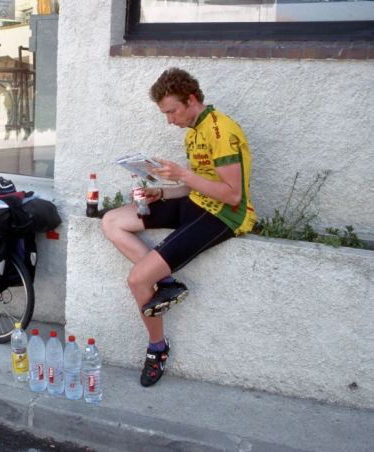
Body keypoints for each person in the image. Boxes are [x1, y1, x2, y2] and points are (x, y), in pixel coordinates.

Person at [101, 68, 257, 387]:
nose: (169, 120)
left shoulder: (221, 130)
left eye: (172, 111)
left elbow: (232, 194)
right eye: (165, 113)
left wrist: (182, 176)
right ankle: (168, 282)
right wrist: (163, 191)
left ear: (191, 100)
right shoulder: (193, 133)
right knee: (112, 220)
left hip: (223, 216)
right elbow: (195, 186)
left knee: (138, 279)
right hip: (196, 202)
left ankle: (157, 348)